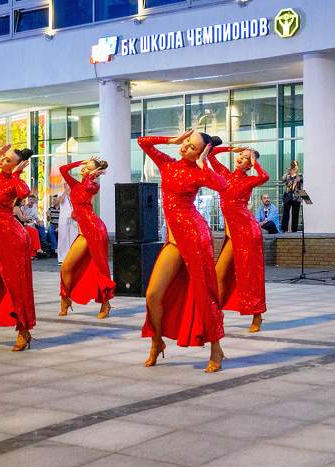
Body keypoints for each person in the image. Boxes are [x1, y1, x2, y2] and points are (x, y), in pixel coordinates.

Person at [137, 129, 227, 373]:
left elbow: (222, 184)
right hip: (174, 239)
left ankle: (216, 348)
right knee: (153, 294)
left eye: (192, 147)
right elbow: (143, 143)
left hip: (195, 236)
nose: (186, 146)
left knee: (204, 294)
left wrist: (204, 163)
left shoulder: (198, 171)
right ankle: (157, 341)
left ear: (200, 153)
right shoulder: (167, 164)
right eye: (187, 141)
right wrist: (171, 140)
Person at [0, 145, 36, 351]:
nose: (3, 161)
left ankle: (24, 330)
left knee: (17, 288)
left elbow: (24, 192)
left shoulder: (15, 182)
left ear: (16, 166)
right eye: (3, 157)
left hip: (13, 240)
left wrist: (17, 174)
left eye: (8, 160)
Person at [209, 146, 269, 333]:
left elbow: (264, 176)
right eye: (240, 156)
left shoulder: (250, 180)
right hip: (232, 232)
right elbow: (211, 155)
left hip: (247, 232)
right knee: (218, 274)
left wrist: (254, 161)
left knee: (250, 275)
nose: (241, 158)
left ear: (250, 165)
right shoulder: (224, 174)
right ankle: (216, 314)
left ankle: (257, 314)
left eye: (246, 158)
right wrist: (232, 148)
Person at [58, 156, 115, 319]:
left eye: (88, 168)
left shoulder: (94, 185)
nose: (83, 169)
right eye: (84, 167)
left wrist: (91, 175)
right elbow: (63, 170)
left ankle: (106, 304)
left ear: (94, 173)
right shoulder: (75, 184)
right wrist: (80, 162)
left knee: (100, 268)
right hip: (83, 231)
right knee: (66, 267)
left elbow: (89, 187)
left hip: (95, 230)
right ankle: (65, 299)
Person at [57, 182, 78, 265]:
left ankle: (72, 257)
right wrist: (65, 191)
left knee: (73, 236)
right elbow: (60, 201)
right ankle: (62, 258)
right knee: (63, 237)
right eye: (65, 184)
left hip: (73, 218)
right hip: (63, 218)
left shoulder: (74, 194)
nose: (67, 185)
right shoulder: (61, 193)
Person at [281, 160, 303, 232]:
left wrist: (296, 173)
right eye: (294, 166)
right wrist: (288, 172)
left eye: (296, 165)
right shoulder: (288, 175)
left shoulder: (300, 175)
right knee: (285, 213)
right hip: (288, 196)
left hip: (296, 197)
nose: (295, 167)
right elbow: (282, 179)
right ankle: (284, 229)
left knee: (295, 214)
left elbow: (299, 182)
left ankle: (294, 230)